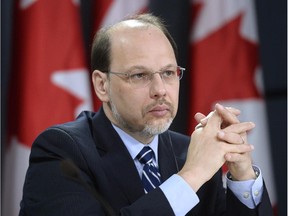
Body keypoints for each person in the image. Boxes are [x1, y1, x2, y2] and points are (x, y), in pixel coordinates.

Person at [19, 13, 273, 216]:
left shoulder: (188, 151)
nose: (160, 90)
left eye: (168, 73)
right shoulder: (62, 150)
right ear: (102, 85)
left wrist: (242, 178)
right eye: (139, 75)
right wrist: (191, 176)